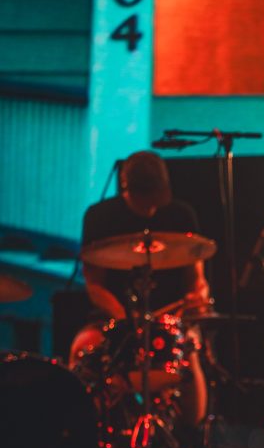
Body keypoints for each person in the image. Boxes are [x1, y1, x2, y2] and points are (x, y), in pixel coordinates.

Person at [70, 150, 209, 425]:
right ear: (126, 188)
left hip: (169, 320)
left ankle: (192, 439)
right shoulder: (101, 217)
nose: (151, 207)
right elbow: (95, 286)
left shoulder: (181, 216)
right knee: (81, 350)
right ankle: (84, 437)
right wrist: (128, 322)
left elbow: (197, 279)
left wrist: (199, 297)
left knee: (189, 352)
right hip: (113, 319)